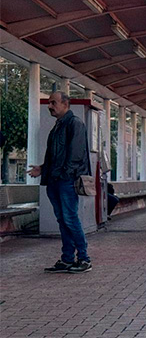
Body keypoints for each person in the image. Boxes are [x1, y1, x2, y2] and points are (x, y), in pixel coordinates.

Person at [27, 92, 92, 273]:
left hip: (66, 181)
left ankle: (84, 259)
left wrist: (64, 175)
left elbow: (75, 155)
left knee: (70, 219)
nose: (50, 106)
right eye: (49, 103)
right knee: (63, 220)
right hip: (55, 180)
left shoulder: (74, 124)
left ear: (65, 104)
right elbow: (55, 156)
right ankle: (67, 258)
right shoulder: (57, 127)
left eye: (53, 102)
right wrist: (43, 168)